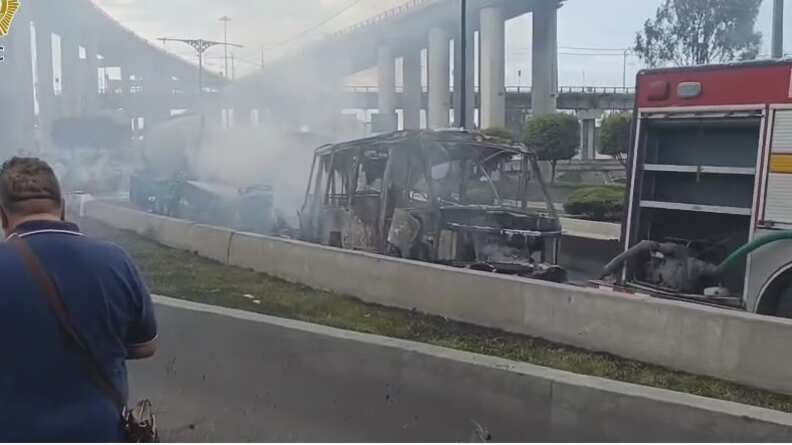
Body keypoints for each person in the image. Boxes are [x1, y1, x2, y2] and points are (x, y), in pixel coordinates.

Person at [0, 157, 158, 442]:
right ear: (62, 207)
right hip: (101, 433)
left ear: (2, 215)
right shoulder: (115, 260)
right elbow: (145, 346)